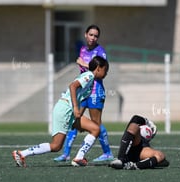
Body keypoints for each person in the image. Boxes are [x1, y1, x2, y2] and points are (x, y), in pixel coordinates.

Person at [12, 56, 109, 167]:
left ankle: (78, 158)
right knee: (56, 146)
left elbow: (80, 97)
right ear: (98, 68)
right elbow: (72, 86)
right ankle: (22, 153)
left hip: (69, 111)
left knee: (95, 129)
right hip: (65, 110)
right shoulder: (89, 75)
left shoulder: (90, 79)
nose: (106, 73)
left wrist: (77, 116)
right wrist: (76, 109)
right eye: (105, 70)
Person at [54, 24, 114, 162]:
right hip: (84, 91)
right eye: (91, 35)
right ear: (85, 35)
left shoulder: (100, 51)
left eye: (96, 36)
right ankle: (66, 153)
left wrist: (83, 63)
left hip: (95, 91)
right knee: (74, 119)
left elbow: (101, 72)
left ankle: (107, 152)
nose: (93, 38)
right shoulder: (82, 49)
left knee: (96, 123)